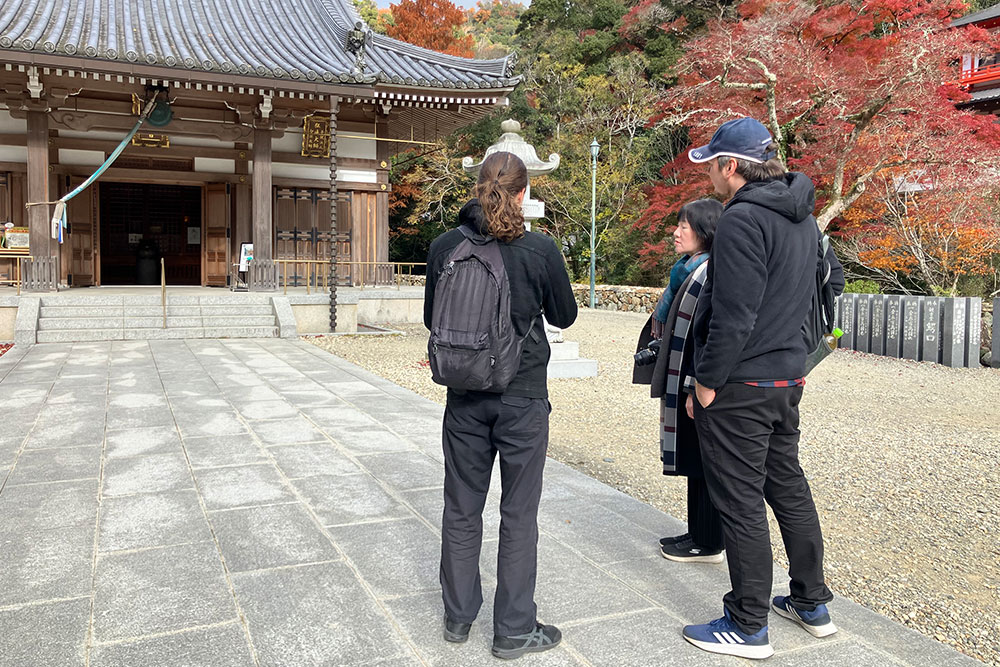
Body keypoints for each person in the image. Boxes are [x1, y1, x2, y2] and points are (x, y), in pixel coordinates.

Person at [679, 117, 845, 660]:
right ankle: (810, 601)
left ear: (732, 167)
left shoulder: (743, 219)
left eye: (711, 164)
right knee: (787, 486)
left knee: (741, 499)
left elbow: (733, 313)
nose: (707, 174)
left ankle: (748, 623)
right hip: (786, 375)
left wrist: (706, 383)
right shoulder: (803, 217)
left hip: (742, 382)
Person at [423, 151, 578, 660]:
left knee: (461, 506)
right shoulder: (539, 249)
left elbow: (432, 320)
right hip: (523, 396)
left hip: (465, 395)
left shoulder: (445, 246)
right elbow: (565, 314)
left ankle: (457, 616)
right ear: (523, 193)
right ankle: (513, 628)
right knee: (518, 512)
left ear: (476, 187)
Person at [633, 199, 725, 564]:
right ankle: (698, 532)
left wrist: (692, 384)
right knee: (692, 455)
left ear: (705, 232)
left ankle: (710, 542)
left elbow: (708, 335)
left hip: (698, 381)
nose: (676, 232)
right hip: (689, 378)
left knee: (704, 459)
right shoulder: (688, 269)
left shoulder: (709, 273)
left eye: (684, 226)